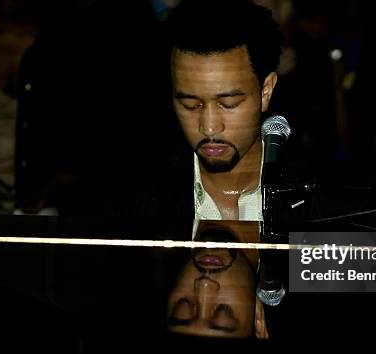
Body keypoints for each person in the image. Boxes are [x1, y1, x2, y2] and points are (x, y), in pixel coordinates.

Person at [120, 0, 284, 221]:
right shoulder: (139, 199)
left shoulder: (319, 198)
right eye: (191, 105)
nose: (209, 126)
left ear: (266, 91)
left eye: (228, 104)